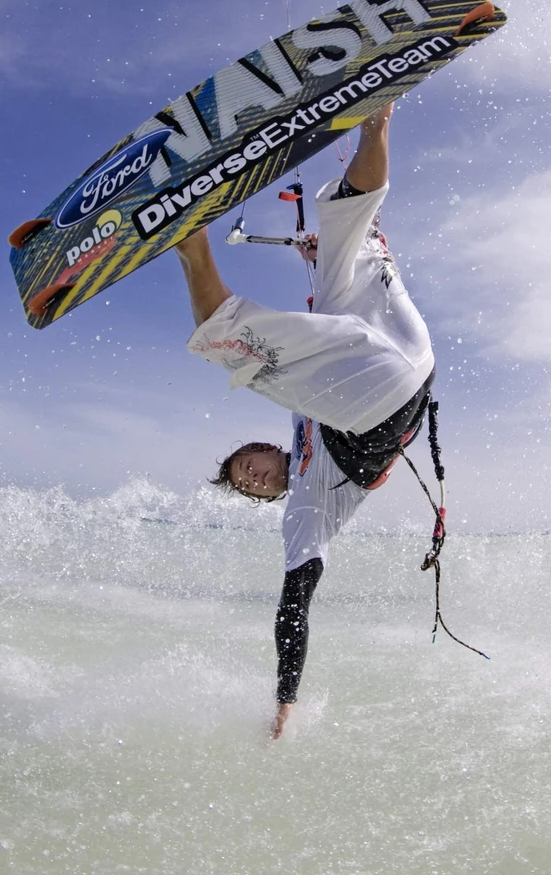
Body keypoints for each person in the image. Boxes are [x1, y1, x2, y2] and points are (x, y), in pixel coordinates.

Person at [174, 104, 435, 739]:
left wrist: (316, 266)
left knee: (344, 222)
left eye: (248, 467)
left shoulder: (302, 409)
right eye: (251, 487)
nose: (256, 478)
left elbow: (321, 334)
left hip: (403, 354)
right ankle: (189, 237)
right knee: (233, 345)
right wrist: (285, 695)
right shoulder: (306, 509)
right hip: (386, 402)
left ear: (264, 448)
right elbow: (295, 601)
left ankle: (378, 117)